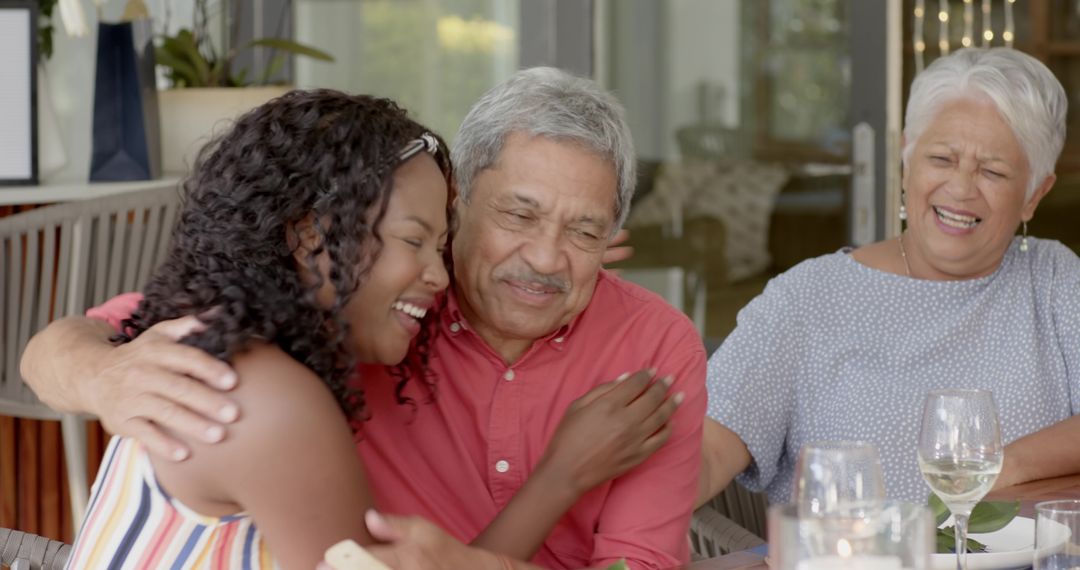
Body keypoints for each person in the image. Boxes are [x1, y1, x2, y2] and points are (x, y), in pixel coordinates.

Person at [24, 69, 705, 570]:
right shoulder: (265, 387)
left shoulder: (650, 343)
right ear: (462, 205)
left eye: (584, 232)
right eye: (519, 215)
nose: (547, 257)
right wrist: (105, 374)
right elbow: (66, 349)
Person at [697, 47, 1080, 507]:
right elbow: (707, 449)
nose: (960, 189)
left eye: (992, 171)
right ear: (906, 159)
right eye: (941, 159)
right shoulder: (806, 298)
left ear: (1034, 195)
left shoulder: (1055, 280)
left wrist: (1003, 466)